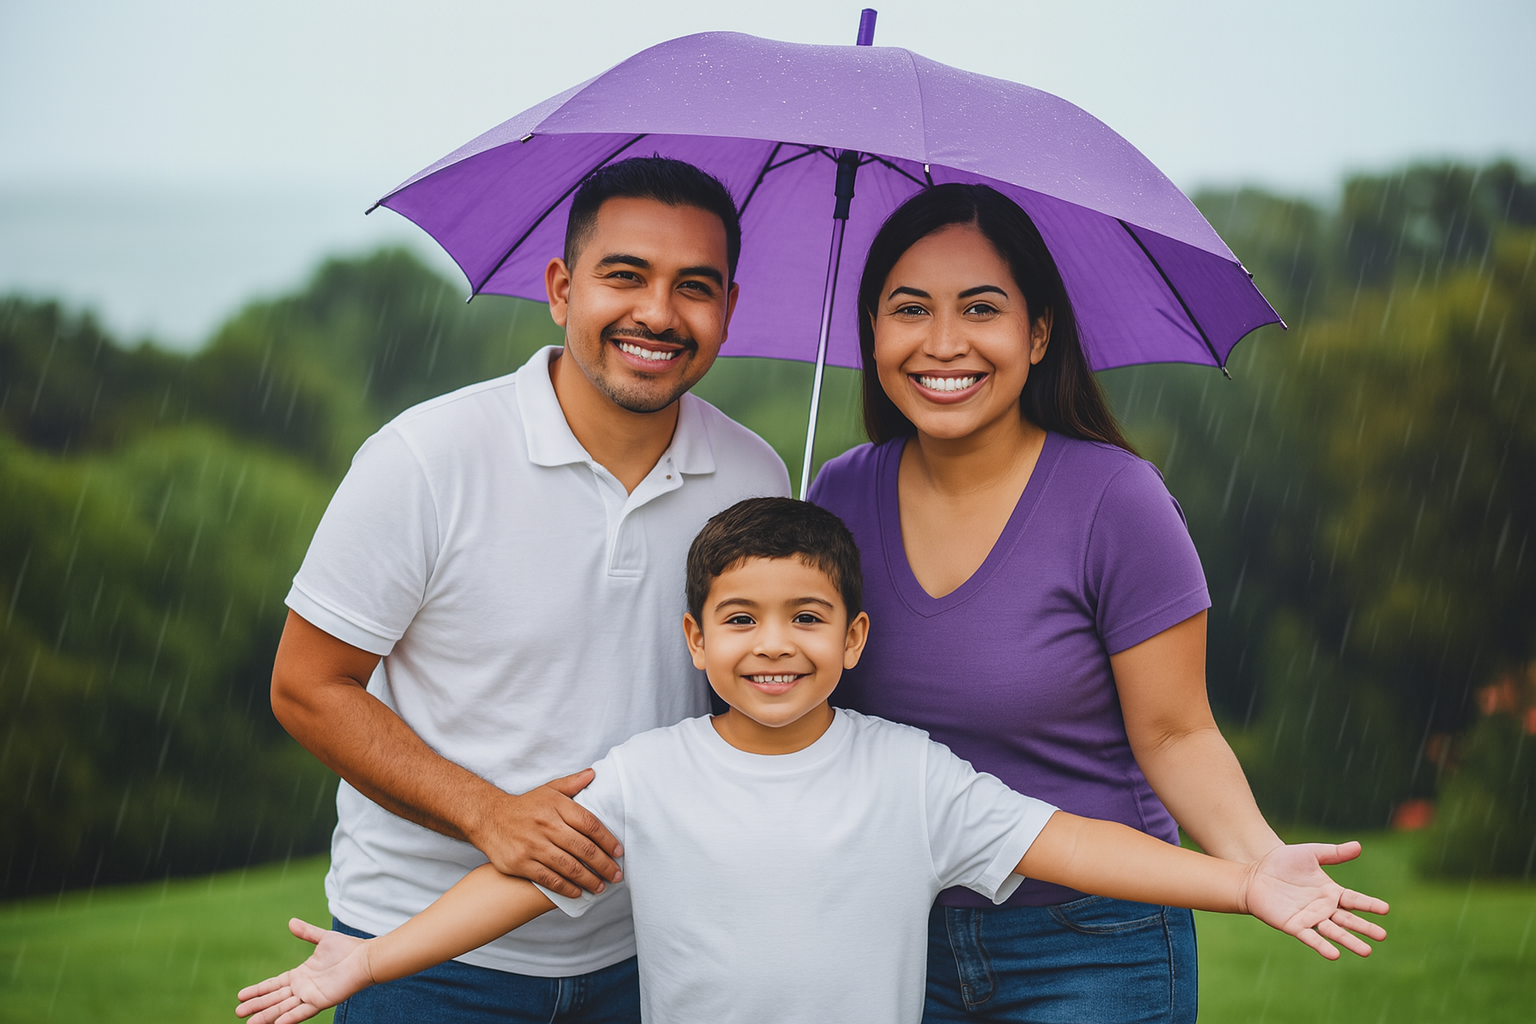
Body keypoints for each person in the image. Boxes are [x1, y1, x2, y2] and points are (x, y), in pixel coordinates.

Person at [236, 498, 1388, 1024]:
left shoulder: (911, 772)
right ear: (695, 641)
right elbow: (514, 879)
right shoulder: (644, 772)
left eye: (805, 616)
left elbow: (1071, 843)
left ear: (855, 640)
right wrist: (372, 962)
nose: (774, 643)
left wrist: (1243, 879)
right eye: (739, 619)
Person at [270, 157, 790, 1023]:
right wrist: (488, 815)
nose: (657, 314)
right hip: (423, 955)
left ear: (729, 310)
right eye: (624, 276)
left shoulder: (756, 475)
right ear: (560, 288)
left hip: (652, 952)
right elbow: (307, 687)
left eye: (694, 287)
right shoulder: (425, 458)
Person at [808, 183, 1285, 1023]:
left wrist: (1262, 863)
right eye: (909, 309)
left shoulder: (1116, 500)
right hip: (889, 935)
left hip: (1092, 943)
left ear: (1037, 333)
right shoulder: (837, 495)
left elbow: (1176, 732)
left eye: (980, 309)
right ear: (873, 333)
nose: (944, 343)